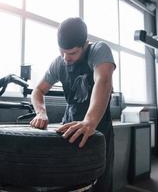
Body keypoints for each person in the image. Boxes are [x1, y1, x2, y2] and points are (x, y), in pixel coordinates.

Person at [30, 17, 115, 192]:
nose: (66, 58)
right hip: (68, 131)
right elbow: (37, 90)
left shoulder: (99, 50)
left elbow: (103, 81)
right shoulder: (58, 63)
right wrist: (41, 112)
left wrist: (89, 122)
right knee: (67, 183)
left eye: (72, 53)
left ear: (85, 44)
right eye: (62, 52)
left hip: (98, 131)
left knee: (100, 184)